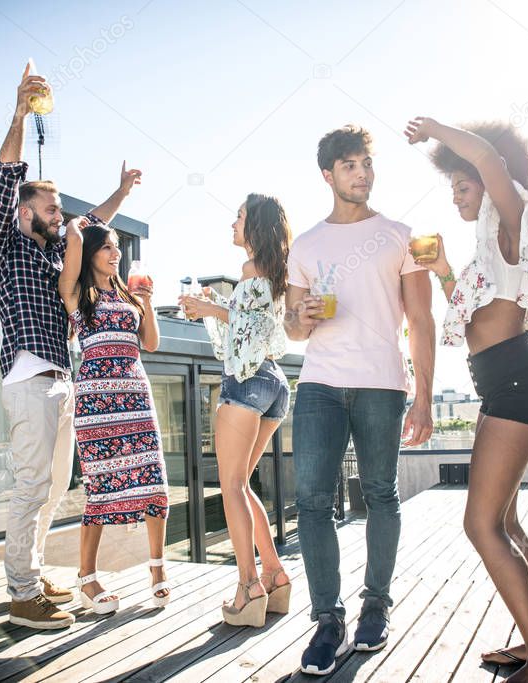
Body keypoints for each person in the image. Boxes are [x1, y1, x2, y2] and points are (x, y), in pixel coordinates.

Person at [404, 116, 528, 682]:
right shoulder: (485, 254)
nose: (456, 194)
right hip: (503, 386)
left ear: (486, 177)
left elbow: (491, 161)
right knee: (506, 523)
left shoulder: (509, 218)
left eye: (462, 183)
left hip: (519, 385)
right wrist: (445, 270)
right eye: (452, 186)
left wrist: (434, 129)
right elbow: (470, 318)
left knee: (481, 526)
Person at [0, 62, 143, 629]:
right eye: (51, 209)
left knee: (52, 489)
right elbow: (4, 175)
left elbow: (89, 227)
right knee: (32, 486)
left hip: (61, 380)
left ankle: (29, 572)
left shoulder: (55, 257)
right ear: (24, 212)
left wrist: (120, 192)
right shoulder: (3, 245)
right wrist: (21, 113)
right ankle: (21, 593)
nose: (60, 215)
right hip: (29, 380)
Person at [284, 125, 435, 675]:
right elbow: (293, 329)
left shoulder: (401, 235)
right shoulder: (305, 245)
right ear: (328, 175)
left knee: (380, 493)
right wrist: (298, 318)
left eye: (366, 164)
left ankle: (376, 605)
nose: (362, 173)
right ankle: (328, 619)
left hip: (382, 383)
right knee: (312, 501)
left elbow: (421, 321)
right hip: (320, 384)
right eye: (349, 165)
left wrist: (424, 396)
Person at [179, 194, 294, 628]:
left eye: (240, 216)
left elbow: (241, 334)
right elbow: (248, 332)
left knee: (230, 486)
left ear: (256, 225)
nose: (233, 223)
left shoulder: (251, 270)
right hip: (274, 383)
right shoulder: (275, 273)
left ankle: (248, 587)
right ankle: (275, 574)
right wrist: (211, 310)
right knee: (242, 485)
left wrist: (207, 307)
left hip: (246, 384)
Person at [59, 204, 172, 615]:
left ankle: (158, 569)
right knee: (101, 489)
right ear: (90, 253)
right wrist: (80, 223)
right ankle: (87, 579)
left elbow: (152, 343)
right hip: (96, 402)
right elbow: (72, 239)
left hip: (135, 396)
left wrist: (146, 300)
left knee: (154, 483)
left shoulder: (127, 293)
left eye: (117, 248)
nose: (115, 254)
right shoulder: (76, 292)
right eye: (107, 248)